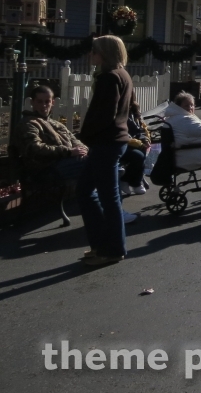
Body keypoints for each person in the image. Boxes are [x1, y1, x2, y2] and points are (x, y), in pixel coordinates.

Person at [77, 35, 134, 267]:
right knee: (85, 191)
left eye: (94, 51)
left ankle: (112, 249)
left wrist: (85, 137)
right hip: (112, 141)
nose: (91, 54)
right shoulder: (122, 75)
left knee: (108, 198)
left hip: (106, 143)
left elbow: (104, 115)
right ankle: (101, 243)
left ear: (104, 54)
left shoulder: (109, 78)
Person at [12, 84, 88, 181]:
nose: (43, 105)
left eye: (47, 101)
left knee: (99, 156)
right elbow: (34, 148)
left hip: (65, 162)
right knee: (92, 165)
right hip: (45, 168)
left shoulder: (56, 124)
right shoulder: (28, 124)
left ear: (53, 102)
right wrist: (69, 152)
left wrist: (82, 150)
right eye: (39, 102)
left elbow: (73, 139)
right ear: (32, 102)